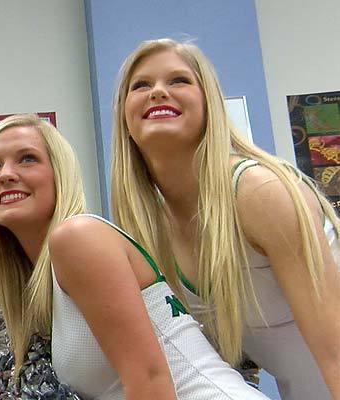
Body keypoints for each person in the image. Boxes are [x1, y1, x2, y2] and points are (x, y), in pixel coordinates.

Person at [0, 113, 269, 399]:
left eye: (27, 159)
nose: (6, 175)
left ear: (59, 174)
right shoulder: (45, 273)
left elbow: (150, 382)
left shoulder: (78, 237)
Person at [110, 38, 340, 399]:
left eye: (179, 81)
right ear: (124, 118)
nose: (157, 92)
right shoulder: (149, 228)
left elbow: (336, 353)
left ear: (209, 106)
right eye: (141, 85)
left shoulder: (259, 193)